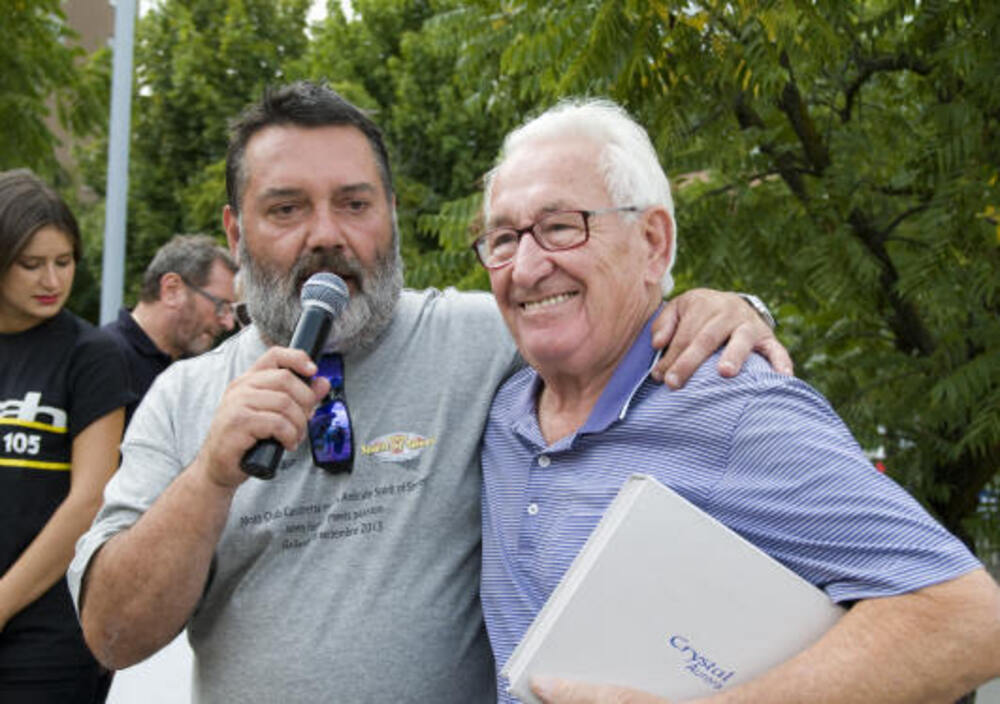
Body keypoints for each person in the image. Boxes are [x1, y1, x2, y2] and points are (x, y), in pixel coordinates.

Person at [68, 82, 787, 702]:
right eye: (286, 209)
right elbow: (112, 636)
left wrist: (729, 307)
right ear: (235, 231)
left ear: (390, 213)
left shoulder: (489, 340)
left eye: (354, 203)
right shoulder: (183, 398)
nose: (326, 235)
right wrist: (210, 477)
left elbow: (611, 314)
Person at [475, 99, 1000, 704]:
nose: (526, 268)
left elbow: (964, 617)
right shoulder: (499, 409)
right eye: (504, 239)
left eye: (561, 227)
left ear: (652, 242)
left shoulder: (735, 407)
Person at [0, 169, 132, 702]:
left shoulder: (91, 355)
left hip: (47, 635)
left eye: (64, 261)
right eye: (31, 264)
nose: (52, 280)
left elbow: (90, 500)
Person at [102, 233, 238, 425]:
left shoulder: (193, 372)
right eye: (221, 306)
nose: (228, 324)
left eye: (232, 311)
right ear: (172, 290)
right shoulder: (104, 359)